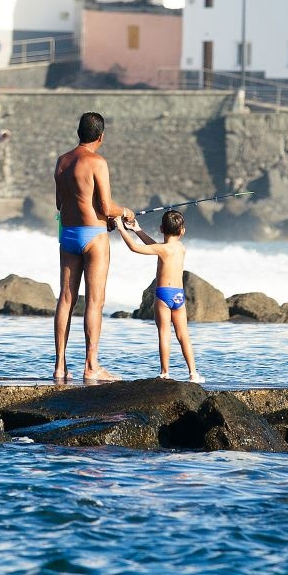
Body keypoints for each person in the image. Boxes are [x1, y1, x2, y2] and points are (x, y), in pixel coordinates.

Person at [53, 112, 133, 385]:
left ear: (79, 132)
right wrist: (125, 212)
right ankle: (91, 366)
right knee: (95, 301)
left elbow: (59, 204)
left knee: (66, 298)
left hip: (68, 234)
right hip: (94, 236)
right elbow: (107, 207)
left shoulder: (62, 162)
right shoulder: (97, 162)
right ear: (101, 136)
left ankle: (60, 366)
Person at [115, 210, 201, 383]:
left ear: (161, 228)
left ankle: (165, 372)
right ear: (182, 231)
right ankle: (193, 373)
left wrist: (121, 228)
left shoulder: (162, 249)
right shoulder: (181, 249)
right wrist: (137, 230)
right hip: (179, 296)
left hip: (163, 295)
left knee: (164, 333)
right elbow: (155, 247)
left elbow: (136, 248)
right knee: (183, 334)